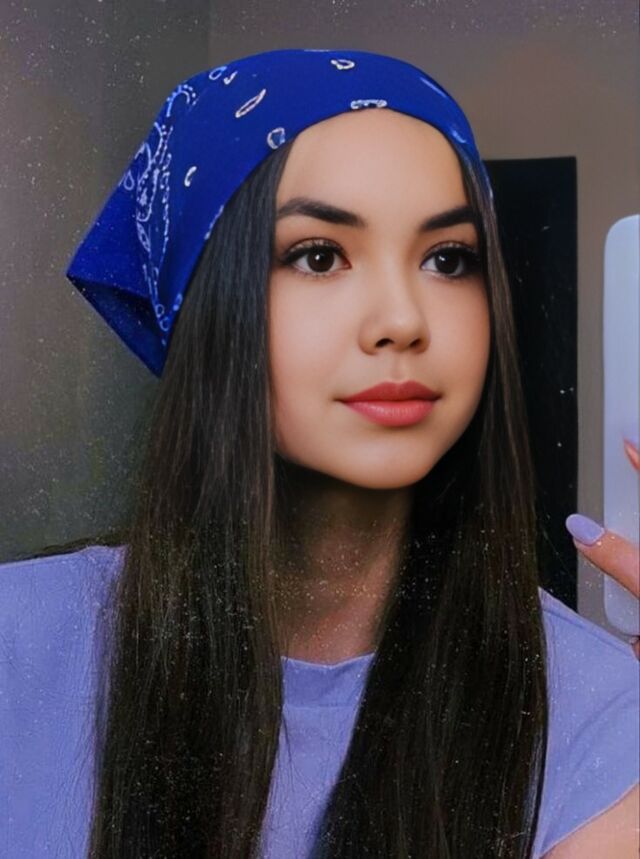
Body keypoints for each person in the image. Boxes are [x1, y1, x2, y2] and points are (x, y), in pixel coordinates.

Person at [0, 48, 638, 859]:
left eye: (448, 259)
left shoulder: (594, 708)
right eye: (319, 255)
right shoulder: (19, 642)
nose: (402, 319)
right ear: (206, 300)